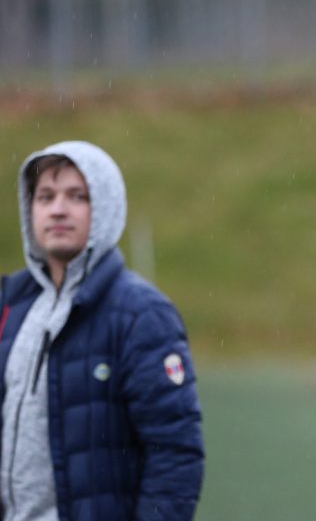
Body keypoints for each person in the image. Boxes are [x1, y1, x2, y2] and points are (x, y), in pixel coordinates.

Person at [0, 141, 204, 520]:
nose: (58, 209)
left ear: (106, 206)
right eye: (45, 196)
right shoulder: (10, 303)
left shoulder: (142, 314)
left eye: (77, 196)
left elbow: (175, 455)